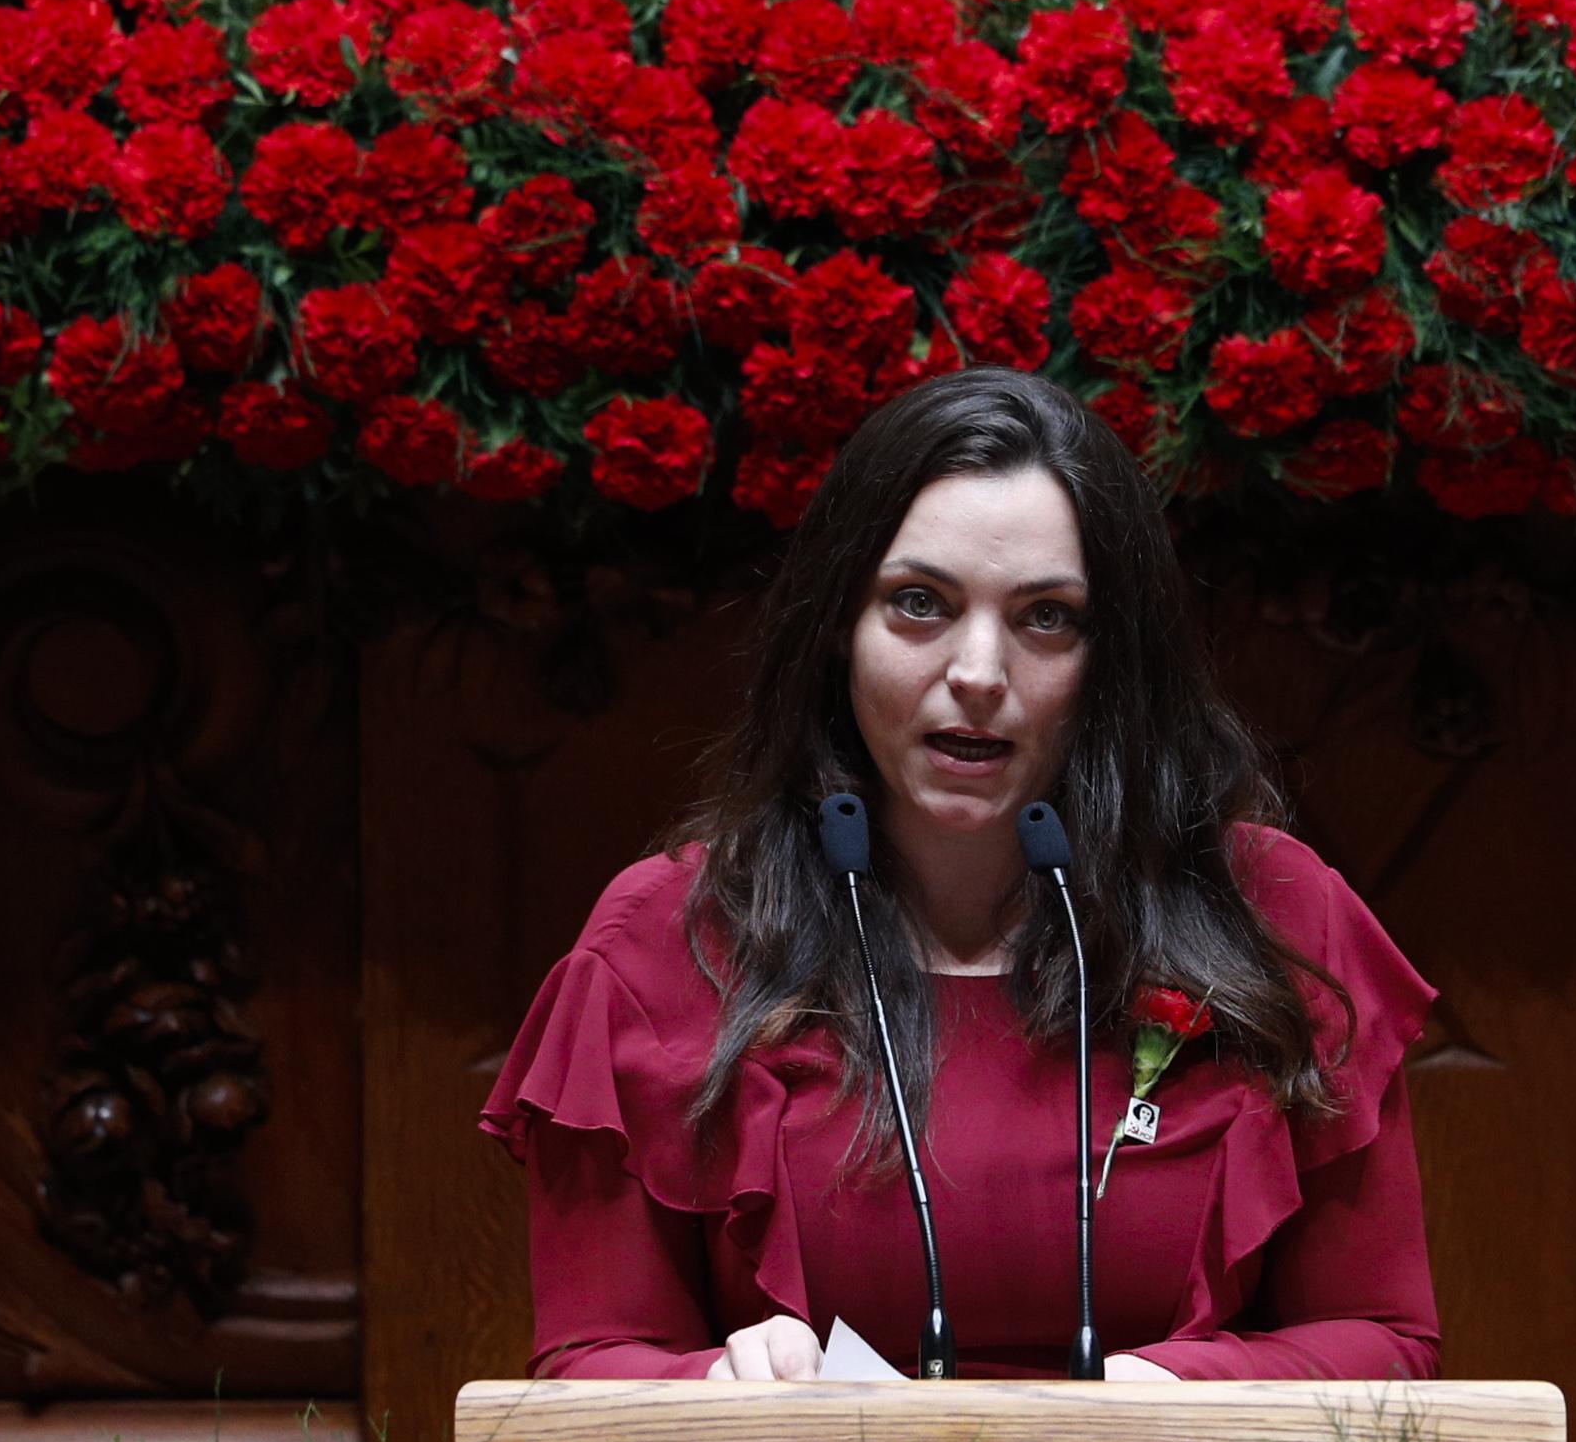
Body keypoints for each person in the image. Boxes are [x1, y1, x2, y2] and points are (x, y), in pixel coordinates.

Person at [477, 368, 1439, 1382]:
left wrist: (1176, 1399)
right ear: (836, 631)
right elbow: (591, 1362)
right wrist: (715, 1388)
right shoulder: (664, 937)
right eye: (919, 605)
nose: (978, 672)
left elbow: (1387, 1344)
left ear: (1114, 658)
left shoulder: (1275, 913)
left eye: (1045, 618)